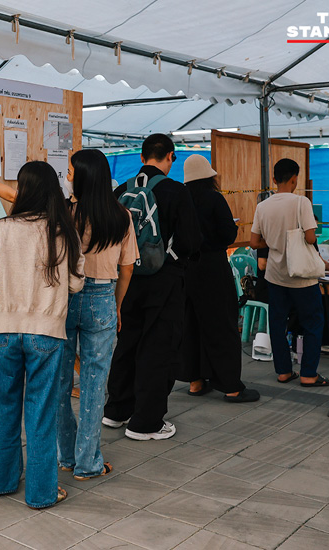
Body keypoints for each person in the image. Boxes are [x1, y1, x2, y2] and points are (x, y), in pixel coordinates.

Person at [0, 160, 84, 509]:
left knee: (2, 408)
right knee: (41, 413)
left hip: (4, 331)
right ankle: (40, 494)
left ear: (23, 190)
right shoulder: (62, 230)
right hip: (47, 333)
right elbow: (76, 282)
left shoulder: (2, 227)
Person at [102, 134, 201, 441]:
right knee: (158, 348)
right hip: (164, 280)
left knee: (127, 342)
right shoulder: (176, 191)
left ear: (143, 156)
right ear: (169, 156)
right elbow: (191, 241)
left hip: (126, 279)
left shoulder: (121, 190)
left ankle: (116, 411)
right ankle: (145, 422)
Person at [55, 149, 136, 480]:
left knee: (59, 382)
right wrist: (117, 305)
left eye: (71, 170)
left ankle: (66, 454)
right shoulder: (121, 215)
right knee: (94, 383)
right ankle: (87, 462)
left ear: (84, 175)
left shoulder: (63, 213)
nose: (68, 174)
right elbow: (127, 268)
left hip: (63, 299)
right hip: (103, 297)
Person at [178, 155, 260, 403]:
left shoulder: (180, 199)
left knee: (190, 324)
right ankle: (231, 387)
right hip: (212, 267)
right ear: (208, 176)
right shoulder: (214, 198)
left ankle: (195, 382)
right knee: (222, 325)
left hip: (185, 268)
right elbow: (227, 233)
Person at [250, 159, 329, 387]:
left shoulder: (262, 206)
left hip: (275, 276)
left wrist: (275, 241)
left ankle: (283, 371)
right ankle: (308, 374)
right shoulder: (301, 202)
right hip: (302, 278)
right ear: (295, 179)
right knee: (313, 323)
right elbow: (311, 238)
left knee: (277, 323)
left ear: (274, 179)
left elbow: (255, 242)